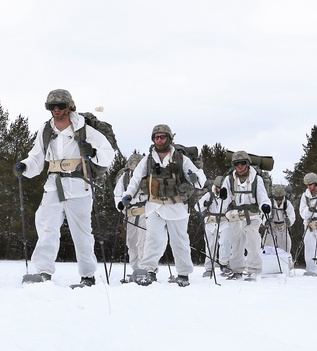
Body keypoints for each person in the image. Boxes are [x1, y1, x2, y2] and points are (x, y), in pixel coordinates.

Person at [15, 89, 115, 287]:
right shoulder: (46, 130)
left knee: (82, 232)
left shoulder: (84, 129)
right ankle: (43, 272)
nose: (56, 110)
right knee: (46, 226)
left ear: (70, 106)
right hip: (53, 184)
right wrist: (25, 166)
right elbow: (36, 157)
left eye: (60, 106)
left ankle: (88, 276)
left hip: (79, 185)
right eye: (52, 106)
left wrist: (92, 151)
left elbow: (108, 153)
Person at [120, 124, 206, 287]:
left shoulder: (181, 159)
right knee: (153, 240)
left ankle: (183, 274)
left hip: (177, 206)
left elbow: (199, 181)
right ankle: (149, 271)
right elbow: (136, 179)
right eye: (156, 137)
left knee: (179, 240)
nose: (159, 140)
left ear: (169, 138)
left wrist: (195, 177)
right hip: (154, 206)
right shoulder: (148, 159)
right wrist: (128, 195)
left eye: (162, 137)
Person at [221, 151, 271, 281]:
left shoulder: (256, 179)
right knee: (236, 243)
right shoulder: (229, 179)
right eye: (237, 164)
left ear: (247, 164)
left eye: (243, 163)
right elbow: (225, 198)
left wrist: (265, 205)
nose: (240, 166)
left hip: (252, 215)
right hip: (235, 215)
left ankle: (254, 269)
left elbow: (262, 196)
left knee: (252, 241)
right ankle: (237, 269)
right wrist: (222, 197)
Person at [113, 152, 147, 282]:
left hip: (144, 213)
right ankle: (135, 269)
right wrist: (120, 204)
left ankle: (145, 270)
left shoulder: (147, 177)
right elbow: (117, 193)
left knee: (143, 242)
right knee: (131, 243)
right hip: (130, 214)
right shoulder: (125, 177)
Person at [195, 176, 231, 278]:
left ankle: (224, 264)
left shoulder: (229, 195)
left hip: (224, 222)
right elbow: (197, 207)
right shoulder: (209, 195)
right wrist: (205, 204)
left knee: (225, 242)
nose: (220, 189)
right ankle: (209, 268)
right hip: (211, 222)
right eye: (219, 187)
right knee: (210, 245)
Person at [262, 183, 295, 271]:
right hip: (271, 228)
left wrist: (289, 221)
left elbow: (292, 215)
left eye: (280, 199)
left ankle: (286, 268)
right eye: (276, 199)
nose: (278, 201)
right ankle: (269, 267)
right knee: (268, 248)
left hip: (283, 228)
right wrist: (265, 221)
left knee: (285, 248)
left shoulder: (287, 203)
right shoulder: (269, 203)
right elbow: (262, 214)